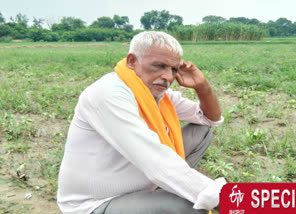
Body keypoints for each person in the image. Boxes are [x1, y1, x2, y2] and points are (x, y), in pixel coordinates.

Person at [57, 31, 226, 214]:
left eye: (173, 69)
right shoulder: (109, 94)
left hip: (138, 183)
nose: (168, 77)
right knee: (189, 207)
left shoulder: (156, 92)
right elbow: (158, 162)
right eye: (159, 66)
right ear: (132, 61)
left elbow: (210, 119)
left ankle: (159, 192)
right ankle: (162, 196)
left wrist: (202, 86)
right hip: (96, 203)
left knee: (201, 131)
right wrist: (235, 200)